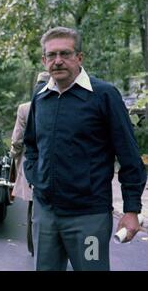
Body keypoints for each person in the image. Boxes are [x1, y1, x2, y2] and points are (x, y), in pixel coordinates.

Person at [24, 26, 147, 271]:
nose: (57, 61)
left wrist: (132, 209)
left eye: (65, 54)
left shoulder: (104, 95)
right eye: (51, 55)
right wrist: (36, 179)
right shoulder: (40, 97)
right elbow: (31, 146)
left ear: (79, 57)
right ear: (43, 60)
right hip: (45, 215)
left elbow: (130, 156)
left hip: (88, 217)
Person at [10, 72, 50, 257]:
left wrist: (14, 156)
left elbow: (17, 140)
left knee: (32, 206)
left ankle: (33, 246)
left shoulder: (25, 108)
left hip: (31, 163)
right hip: (52, 163)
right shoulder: (59, 104)